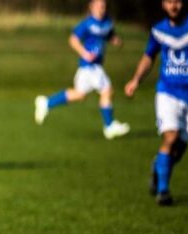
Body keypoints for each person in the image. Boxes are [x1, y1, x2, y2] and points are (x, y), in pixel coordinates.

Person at [125, 0, 188, 206]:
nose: (174, 6)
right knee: (170, 137)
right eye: (169, 2)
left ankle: (158, 168)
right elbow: (148, 57)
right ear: (163, 5)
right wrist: (136, 80)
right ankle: (163, 191)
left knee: (178, 150)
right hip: (168, 92)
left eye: (177, 1)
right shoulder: (158, 30)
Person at [35, 0, 130, 140]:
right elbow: (73, 40)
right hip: (89, 66)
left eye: (103, 5)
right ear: (91, 7)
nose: (101, 8)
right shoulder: (87, 24)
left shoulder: (107, 22)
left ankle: (46, 103)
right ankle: (109, 126)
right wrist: (84, 53)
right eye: (98, 5)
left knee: (80, 94)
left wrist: (115, 40)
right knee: (107, 90)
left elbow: (108, 35)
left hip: (93, 66)